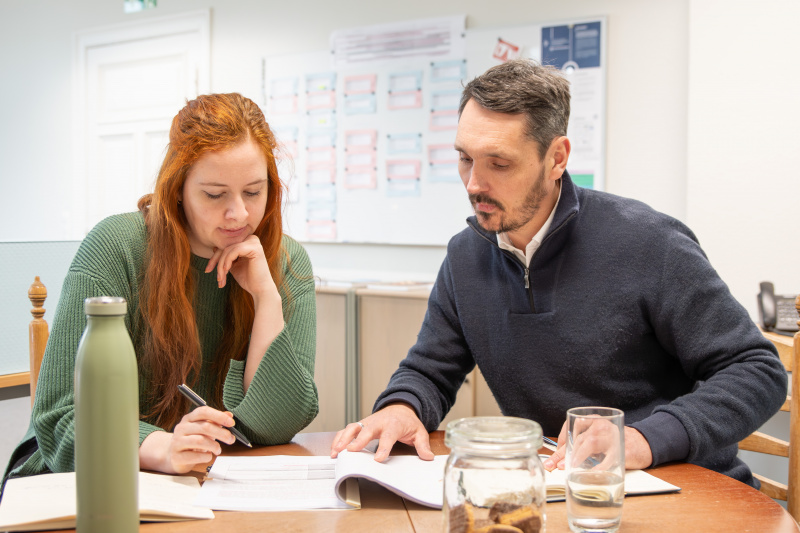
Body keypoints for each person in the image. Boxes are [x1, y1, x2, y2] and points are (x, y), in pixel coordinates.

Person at [331, 59, 787, 487]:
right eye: (465, 158)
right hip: (565, 488)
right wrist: (401, 406)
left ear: (557, 158)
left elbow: (756, 370)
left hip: (683, 488)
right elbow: (430, 370)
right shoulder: (465, 257)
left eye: (499, 163)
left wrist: (645, 438)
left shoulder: (651, 243)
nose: (473, 184)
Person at [4, 93, 318, 484]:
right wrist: (163, 448)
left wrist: (266, 299)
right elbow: (60, 419)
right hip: (89, 483)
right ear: (178, 189)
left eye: (254, 192)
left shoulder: (285, 262)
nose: (238, 213)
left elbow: (278, 425)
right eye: (214, 195)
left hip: (210, 490)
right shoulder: (116, 247)